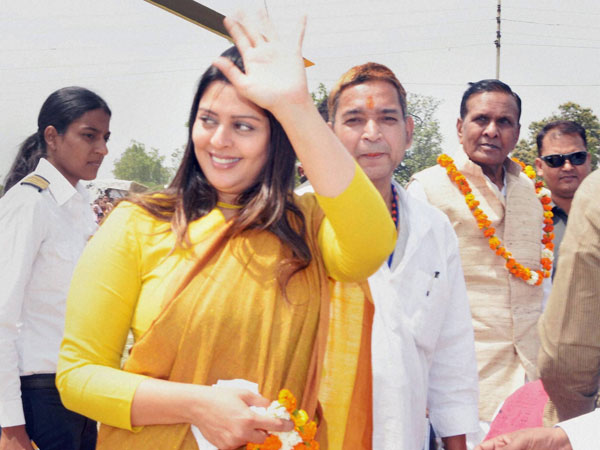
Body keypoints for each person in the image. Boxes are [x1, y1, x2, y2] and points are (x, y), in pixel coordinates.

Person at [56, 13, 396, 450]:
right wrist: (199, 405)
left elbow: (373, 244)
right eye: (208, 119)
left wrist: (296, 107)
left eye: (244, 126)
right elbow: (78, 376)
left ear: (277, 138)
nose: (218, 141)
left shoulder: (309, 226)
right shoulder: (140, 223)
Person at [309, 63, 479, 449]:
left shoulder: (434, 228)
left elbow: (452, 356)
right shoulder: (298, 219)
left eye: (386, 118)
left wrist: (456, 442)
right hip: (316, 432)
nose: (372, 134)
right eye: (354, 120)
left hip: (404, 434)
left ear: (408, 132)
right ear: (328, 133)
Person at [408, 80, 547, 443]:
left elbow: (542, 286)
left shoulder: (534, 193)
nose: (491, 130)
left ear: (517, 132)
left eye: (504, 122)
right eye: (480, 119)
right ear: (459, 127)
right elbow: (412, 298)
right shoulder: (427, 189)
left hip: (535, 385)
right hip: (465, 390)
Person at [0, 86, 111, 450]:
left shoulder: (79, 206)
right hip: (38, 397)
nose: (102, 149)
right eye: (89, 135)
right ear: (52, 136)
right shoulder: (29, 204)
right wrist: (9, 425)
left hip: (77, 390)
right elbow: (2, 318)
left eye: (105, 137)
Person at [476, 169, 600, 449]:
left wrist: (572, 431)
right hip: (479, 369)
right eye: (555, 160)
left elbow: (569, 349)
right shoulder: (428, 189)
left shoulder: (590, 196)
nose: (567, 166)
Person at [534, 120, 591, 278]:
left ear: (588, 160)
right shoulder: (528, 220)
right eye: (555, 160)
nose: (567, 167)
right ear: (539, 166)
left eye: (577, 157)